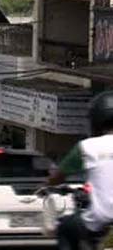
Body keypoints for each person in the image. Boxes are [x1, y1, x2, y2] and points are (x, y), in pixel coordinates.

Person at [48, 91, 113, 250]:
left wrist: (49, 181)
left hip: (100, 222)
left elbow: (57, 177)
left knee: (65, 226)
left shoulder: (88, 147)